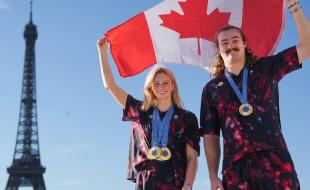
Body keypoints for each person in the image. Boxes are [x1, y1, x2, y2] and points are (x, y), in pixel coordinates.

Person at [200, 0, 310, 189]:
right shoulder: (211, 89)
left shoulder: (266, 69)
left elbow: (307, 46)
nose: (230, 45)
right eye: (224, 42)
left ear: (244, 44)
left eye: (235, 40)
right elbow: (210, 135)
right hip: (236, 170)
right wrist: (212, 174)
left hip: (275, 161)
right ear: (219, 49)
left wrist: (294, 7)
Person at [97, 37, 200, 190]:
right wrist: (102, 53)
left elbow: (192, 157)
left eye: (166, 82)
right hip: (146, 183)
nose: (161, 87)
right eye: (156, 83)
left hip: (176, 183)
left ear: (173, 85)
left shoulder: (187, 118)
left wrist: (188, 185)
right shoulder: (140, 112)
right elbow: (110, 86)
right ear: (150, 87)